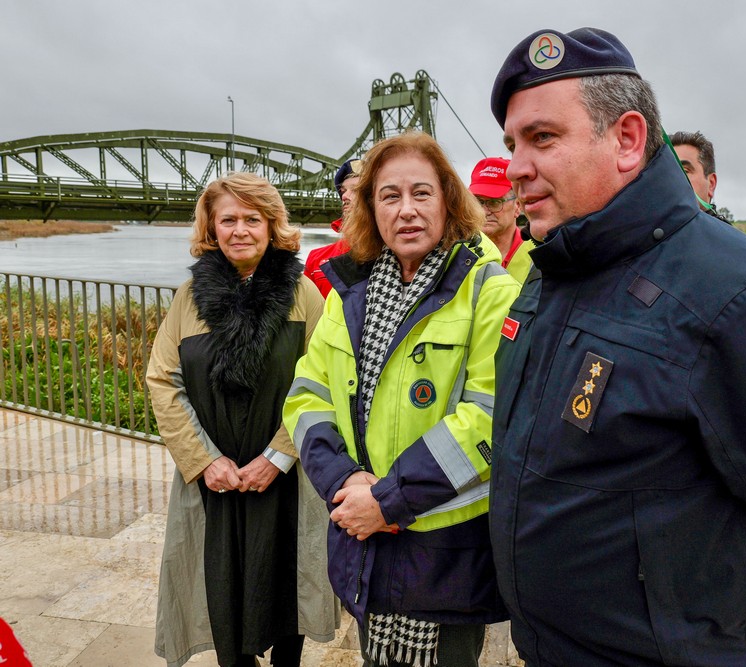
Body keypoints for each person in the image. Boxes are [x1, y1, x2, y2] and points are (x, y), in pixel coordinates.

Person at [487, 27, 746, 666]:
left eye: (543, 138)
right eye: (513, 143)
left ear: (627, 140)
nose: (516, 166)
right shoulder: (554, 274)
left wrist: (715, 602)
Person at [283, 132, 520, 667]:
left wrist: (388, 500)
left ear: (448, 202)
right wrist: (344, 482)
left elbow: (490, 415)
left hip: (445, 554)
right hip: (366, 542)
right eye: (389, 196)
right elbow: (305, 396)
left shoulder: (490, 290)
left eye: (422, 193)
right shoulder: (350, 295)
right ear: (370, 209)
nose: (406, 210)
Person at [146, 172, 337, 667]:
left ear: (272, 226)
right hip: (216, 481)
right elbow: (163, 380)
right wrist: (205, 460)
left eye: (253, 219)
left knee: (285, 590)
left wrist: (279, 454)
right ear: (211, 227)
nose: (240, 230)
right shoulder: (187, 300)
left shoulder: (305, 297)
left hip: (284, 478)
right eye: (227, 219)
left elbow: (325, 383)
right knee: (220, 589)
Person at [467, 156, 534, 283]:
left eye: (495, 202)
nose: (484, 211)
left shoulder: (538, 254)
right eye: (478, 201)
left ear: (518, 206)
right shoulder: (457, 253)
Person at [305, 158, 361, 297]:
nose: (345, 196)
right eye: (343, 191)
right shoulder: (316, 259)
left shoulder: (398, 256)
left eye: (355, 190)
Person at [670, 130, 729, 222]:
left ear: (711, 184)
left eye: (685, 171)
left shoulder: (726, 236)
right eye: (667, 171)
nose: (673, 178)